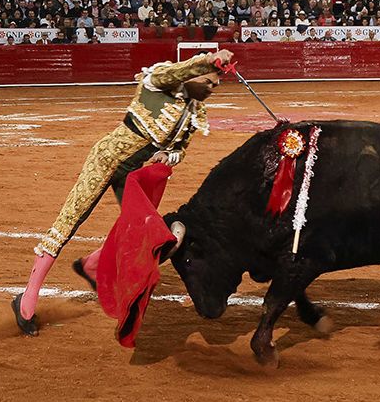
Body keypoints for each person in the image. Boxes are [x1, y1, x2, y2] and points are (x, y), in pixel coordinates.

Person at [13, 48, 234, 335]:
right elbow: (180, 71)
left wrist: (168, 156)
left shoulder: (194, 111)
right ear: (194, 74)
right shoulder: (160, 80)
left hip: (133, 176)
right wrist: (206, 60)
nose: (212, 89)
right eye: (208, 82)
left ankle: (93, 265)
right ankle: (27, 297)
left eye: (216, 86)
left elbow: (179, 149)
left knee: (144, 235)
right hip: (105, 160)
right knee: (68, 221)